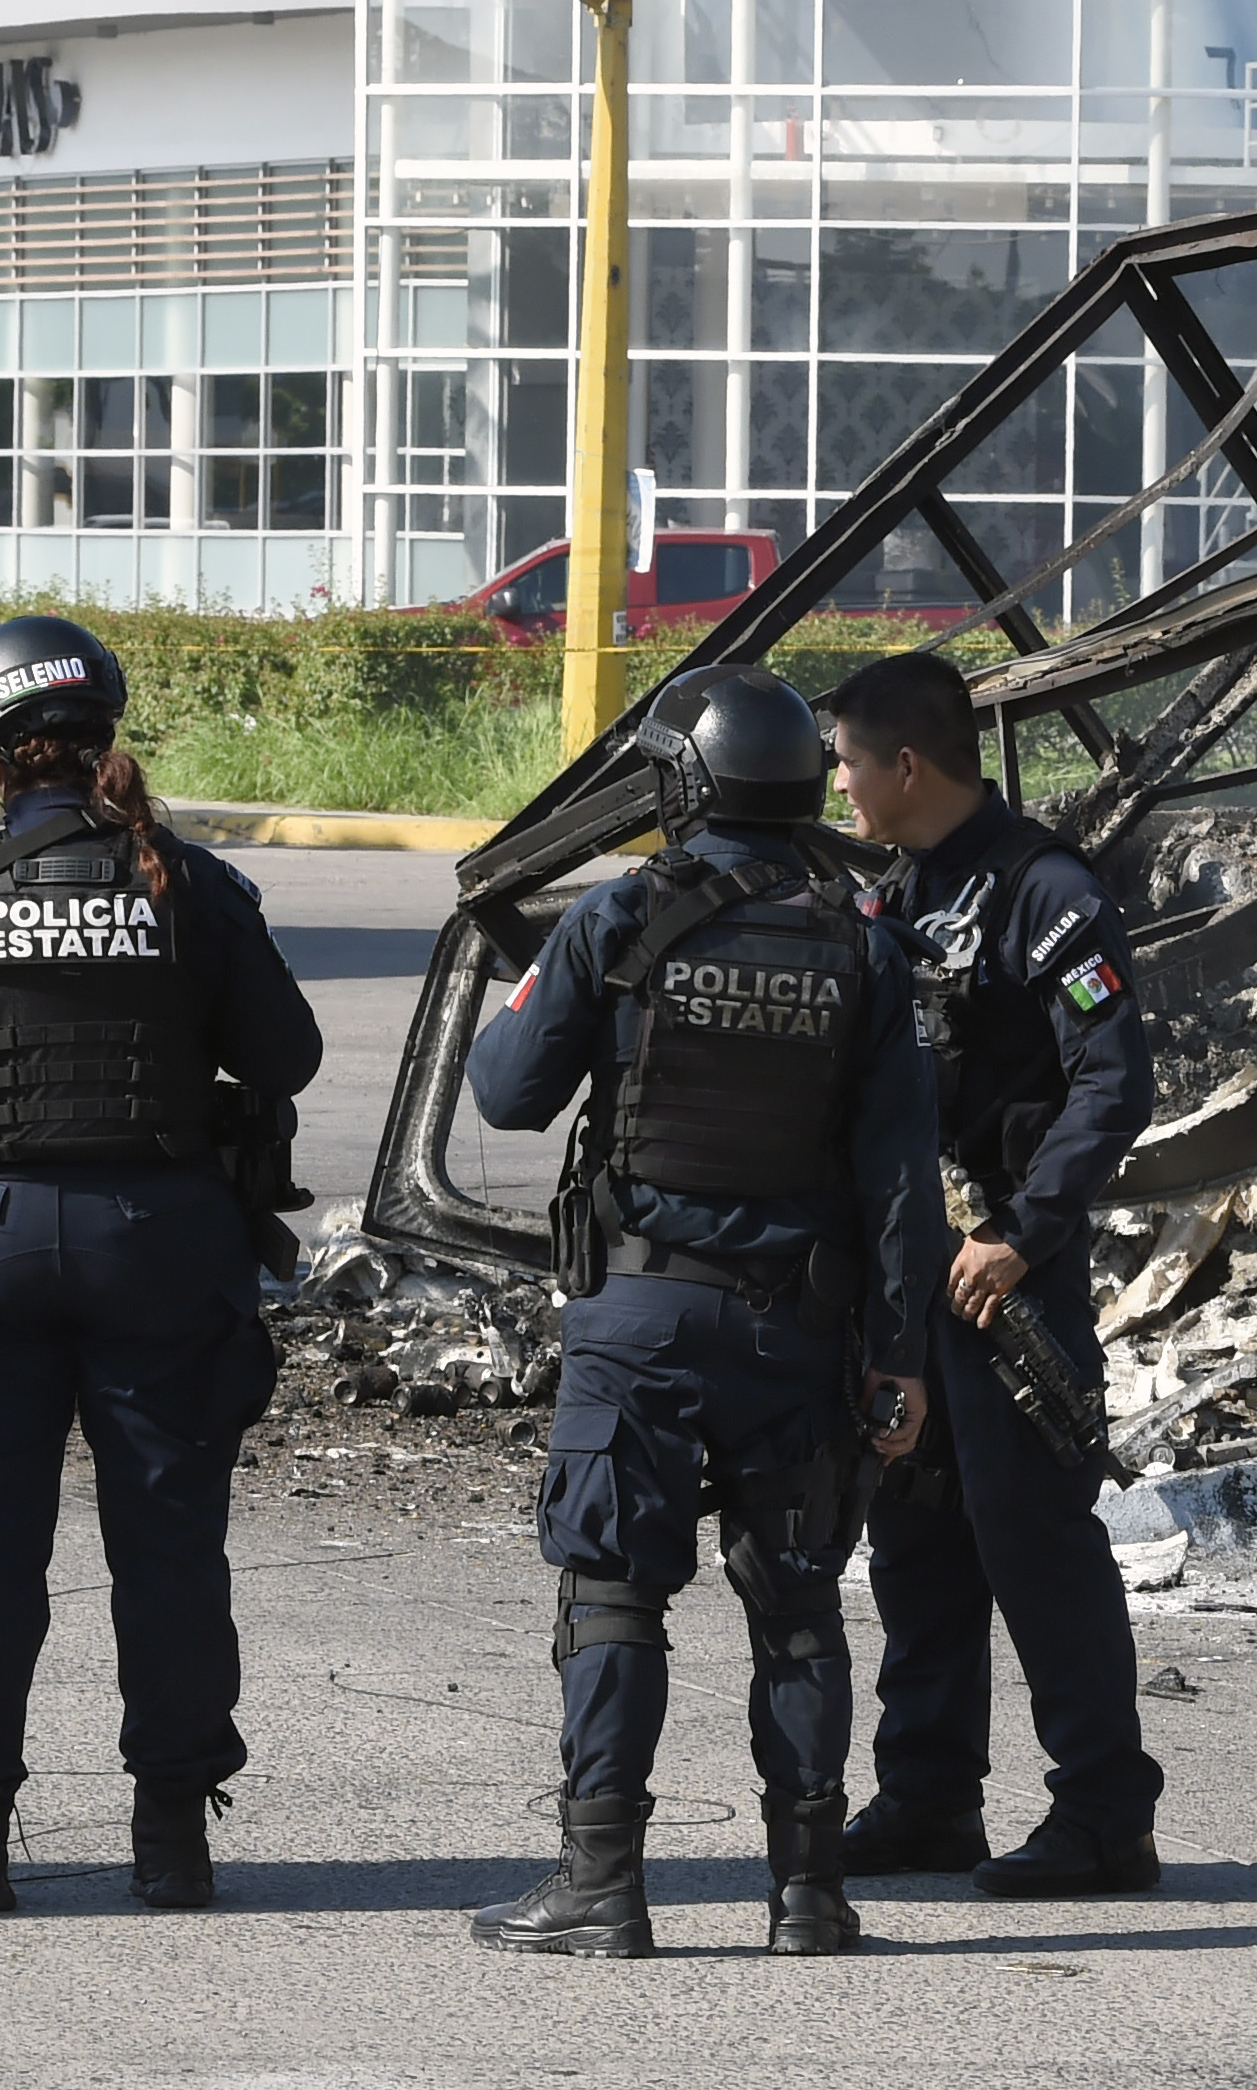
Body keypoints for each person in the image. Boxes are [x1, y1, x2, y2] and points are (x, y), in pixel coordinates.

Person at [0, 613, 322, 1918]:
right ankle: (171, 1842)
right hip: (159, 1242)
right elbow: (288, 1059)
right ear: (105, 733)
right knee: (169, 1549)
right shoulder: (188, 882)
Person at [460, 668, 940, 1961]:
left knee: (613, 1601)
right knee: (797, 1609)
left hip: (644, 1321)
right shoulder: (863, 941)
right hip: (803, 1329)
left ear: (682, 783)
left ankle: (602, 1889)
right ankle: (810, 1897)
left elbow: (505, 1096)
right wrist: (901, 1359)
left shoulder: (620, 918)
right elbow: (903, 1180)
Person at [825, 649, 1166, 1897]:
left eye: (851, 764)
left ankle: (1103, 1820)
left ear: (905, 764)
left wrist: (1024, 1230)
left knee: (1034, 1542)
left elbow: (1111, 1080)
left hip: (1003, 1279)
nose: (841, 788)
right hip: (912, 1279)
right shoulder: (894, 892)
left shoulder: (1045, 891)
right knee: (917, 1543)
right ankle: (926, 1798)